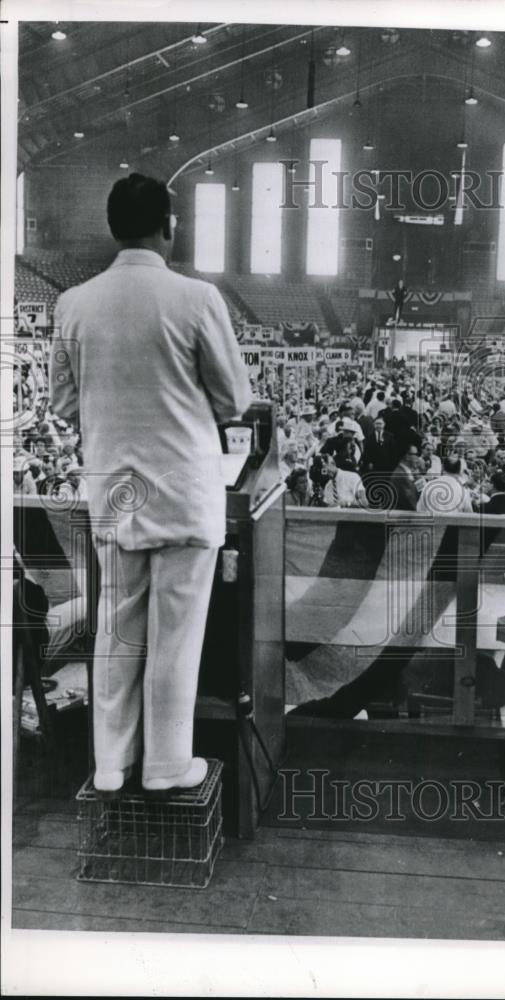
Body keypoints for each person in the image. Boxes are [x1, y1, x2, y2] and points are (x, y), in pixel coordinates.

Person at [50, 173, 252, 796]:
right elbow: (235, 400)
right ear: (169, 225)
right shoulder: (196, 299)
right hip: (185, 492)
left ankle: (110, 765)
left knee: (115, 627)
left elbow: (62, 403)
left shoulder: (73, 303)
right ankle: (167, 764)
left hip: (112, 491)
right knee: (176, 637)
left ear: (113, 227)